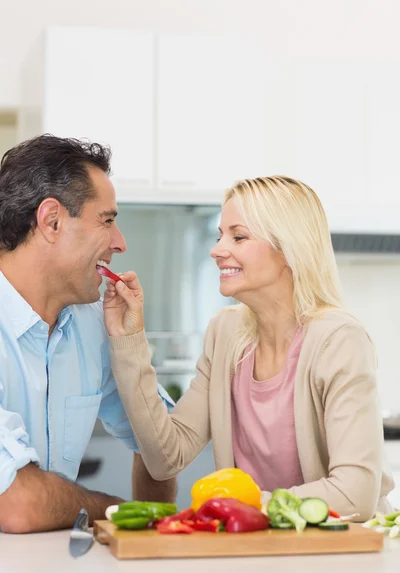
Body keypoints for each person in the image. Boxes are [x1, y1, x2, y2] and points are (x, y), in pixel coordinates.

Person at [104, 175, 394, 521]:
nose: (216, 250)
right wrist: (129, 340)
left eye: (238, 236)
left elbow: (354, 495)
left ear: (289, 248)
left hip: (344, 556)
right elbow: (166, 455)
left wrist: (242, 504)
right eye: (219, 235)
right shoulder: (225, 333)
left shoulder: (338, 340)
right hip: (259, 547)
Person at [0, 135, 176, 534]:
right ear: (52, 221)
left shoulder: (91, 324)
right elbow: (18, 504)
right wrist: (117, 510)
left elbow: (161, 441)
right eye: (107, 221)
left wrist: (131, 350)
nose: (120, 243)